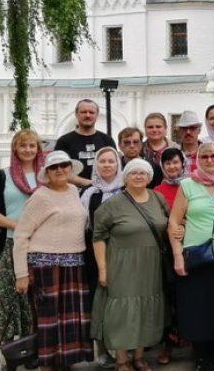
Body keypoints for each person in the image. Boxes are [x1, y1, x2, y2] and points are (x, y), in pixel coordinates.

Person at [12, 150, 93, 369]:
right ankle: (47, 365)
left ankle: (66, 362)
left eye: (64, 165)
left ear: (70, 168)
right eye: (54, 167)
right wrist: (21, 274)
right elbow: (21, 235)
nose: (60, 170)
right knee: (48, 320)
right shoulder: (40, 196)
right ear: (47, 172)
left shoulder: (75, 191)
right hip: (45, 267)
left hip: (74, 265)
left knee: (70, 319)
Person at [91, 159, 169, 371]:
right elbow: (98, 237)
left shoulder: (158, 198)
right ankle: (122, 360)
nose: (138, 176)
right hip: (121, 265)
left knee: (146, 308)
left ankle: (140, 356)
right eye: (133, 173)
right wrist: (102, 268)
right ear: (125, 177)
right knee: (123, 313)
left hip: (151, 264)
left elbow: (170, 224)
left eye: (143, 173)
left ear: (149, 177)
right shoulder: (112, 204)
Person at [169, 143, 214, 371]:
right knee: (197, 308)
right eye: (205, 156)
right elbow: (174, 222)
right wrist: (178, 256)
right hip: (196, 256)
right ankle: (201, 358)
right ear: (198, 159)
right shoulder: (187, 185)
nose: (209, 160)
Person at [0, 129, 43, 350]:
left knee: (34, 300)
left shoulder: (47, 176)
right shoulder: (1, 177)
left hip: (40, 245)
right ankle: (9, 349)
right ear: (15, 148)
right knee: (8, 298)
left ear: (38, 149)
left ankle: (32, 348)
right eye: (23, 145)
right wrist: (18, 225)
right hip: (8, 243)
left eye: (32, 146)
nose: (28, 150)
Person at [78, 146, 124, 368]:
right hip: (95, 255)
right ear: (96, 165)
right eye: (102, 161)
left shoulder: (126, 190)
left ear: (118, 165)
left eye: (111, 161)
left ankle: (125, 348)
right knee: (100, 300)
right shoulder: (89, 194)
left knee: (123, 300)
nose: (107, 165)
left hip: (124, 253)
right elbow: (82, 226)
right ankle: (103, 350)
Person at [151, 147, 187, 364]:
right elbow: (157, 220)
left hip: (192, 247)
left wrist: (185, 224)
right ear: (163, 167)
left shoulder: (192, 185)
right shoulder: (157, 191)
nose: (173, 166)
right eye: (168, 163)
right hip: (166, 250)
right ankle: (168, 346)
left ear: (183, 163)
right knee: (170, 299)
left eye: (176, 162)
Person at [54, 99, 116, 186]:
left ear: (97, 115)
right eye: (83, 112)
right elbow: (59, 170)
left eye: (91, 112)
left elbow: (115, 168)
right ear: (76, 114)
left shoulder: (107, 140)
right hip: (74, 192)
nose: (88, 115)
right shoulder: (64, 141)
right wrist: (89, 183)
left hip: (104, 190)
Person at [176, 110, 204, 174]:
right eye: (184, 128)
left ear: (199, 130)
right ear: (179, 131)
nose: (188, 132)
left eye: (192, 128)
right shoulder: (174, 154)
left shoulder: (208, 153)